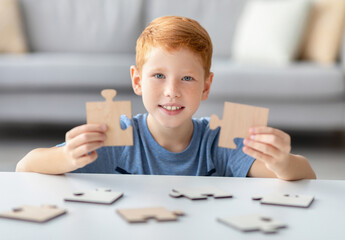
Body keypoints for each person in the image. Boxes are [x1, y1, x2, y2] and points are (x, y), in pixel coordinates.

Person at [16, 16, 316, 180]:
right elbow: (25, 167)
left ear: (206, 87)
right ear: (137, 81)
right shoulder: (117, 137)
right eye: (158, 76)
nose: (172, 91)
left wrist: (281, 162)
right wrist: (67, 156)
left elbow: (305, 173)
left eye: (187, 78)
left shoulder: (220, 140)